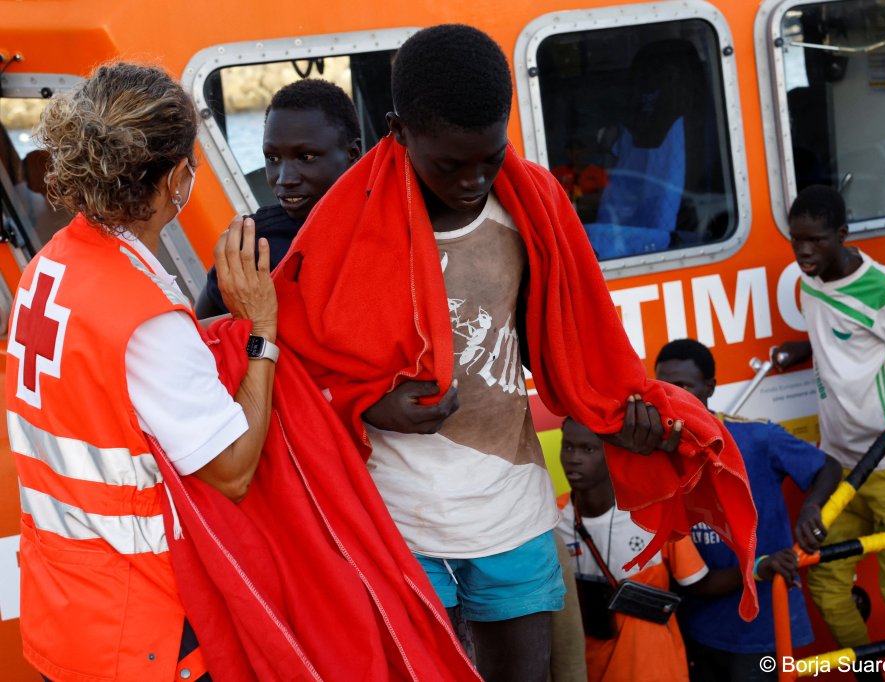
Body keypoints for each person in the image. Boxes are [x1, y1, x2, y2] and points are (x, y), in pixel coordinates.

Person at [273, 24, 760, 682]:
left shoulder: (532, 206)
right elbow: (292, 373)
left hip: (512, 511)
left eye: (490, 158)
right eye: (450, 165)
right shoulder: (337, 230)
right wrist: (369, 405)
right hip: (395, 520)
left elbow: (566, 350)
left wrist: (622, 418)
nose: (474, 180)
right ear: (398, 129)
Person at [6, 62, 276, 682]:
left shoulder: (48, 266)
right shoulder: (146, 324)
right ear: (177, 176)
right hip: (138, 631)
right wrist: (262, 331)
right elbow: (233, 472)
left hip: (63, 609)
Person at [773, 185, 885, 681]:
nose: (804, 251)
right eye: (796, 240)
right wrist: (801, 351)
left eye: (816, 240)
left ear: (842, 236)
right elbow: (838, 337)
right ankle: (870, 673)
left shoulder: (882, 288)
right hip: (839, 465)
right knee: (824, 583)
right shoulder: (809, 283)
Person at [655, 339, 841, 682]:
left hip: (758, 626)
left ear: (709, 388)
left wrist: (811, 508)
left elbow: (828, 467)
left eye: (683, 386)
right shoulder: (654, 453)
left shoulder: (755, 437)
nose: (672, 397)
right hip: (691, 624)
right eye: (663, 387)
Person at [555, 417, 707, 682]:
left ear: (612, 454)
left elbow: (697, 583)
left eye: (588, 449)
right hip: (587, 668)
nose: (574, 458)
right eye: (567, 447)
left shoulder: (653, 510)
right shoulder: (551, 517)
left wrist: (757, 568)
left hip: (655, 668)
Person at [194, 78, 361, 317]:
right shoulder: (254, 246)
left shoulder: (391, 227)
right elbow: (203, 338)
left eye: (306, 157)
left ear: (352, 155)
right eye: (272, 159)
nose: (284, 178)